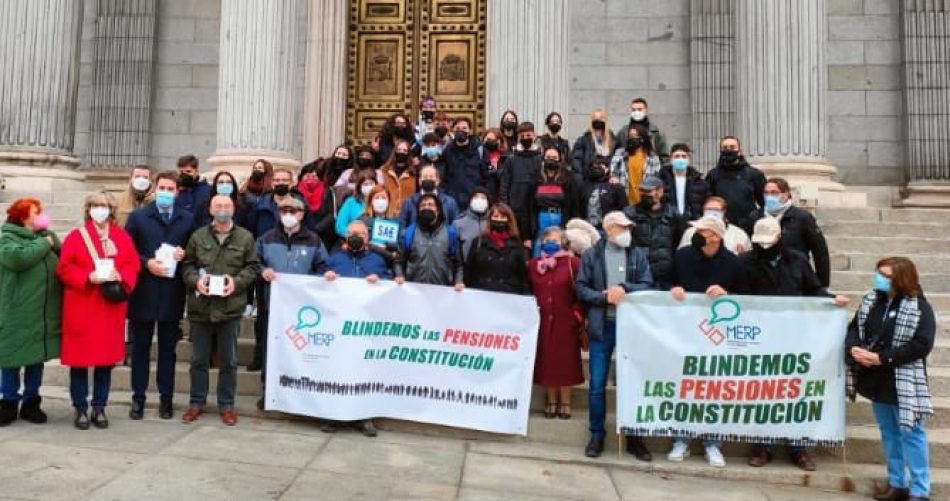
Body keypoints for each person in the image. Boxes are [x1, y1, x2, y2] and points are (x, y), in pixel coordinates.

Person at [742, 217, 849, 471]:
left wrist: (831, 300)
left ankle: (798, 447)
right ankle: (763, 444)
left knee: (794, 391)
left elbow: (813, 289)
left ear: (779, 238)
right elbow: (737, 294)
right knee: (765, 392)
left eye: (769, 242)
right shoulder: (745, 262)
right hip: (761, 336)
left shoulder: (797, 260)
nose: (764, 247)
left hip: (795, 336)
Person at [846, 257, 935, 501]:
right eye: (879, 273)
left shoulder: (920, 307)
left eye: (886, 276)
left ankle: (920, 490)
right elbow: (854, 328)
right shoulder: (871, 301)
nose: (880, 279)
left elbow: (922, 344)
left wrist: (881, 358)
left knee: (912, 434)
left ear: (901, 279)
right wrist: (854, 348)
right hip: (877, 381)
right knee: (889, 433)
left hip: (904, 380)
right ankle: (898, 483)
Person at [667, 215, 748, 466]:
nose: (697, 234)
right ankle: (682, 438)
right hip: (685, 333)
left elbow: (747, 298)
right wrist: (674, 288)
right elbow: (665, 281)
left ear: (715, 236)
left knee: (715, 390)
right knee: (685, 387)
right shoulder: (682, 256)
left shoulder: (733, 263)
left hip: (718, 337)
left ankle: (713, 442)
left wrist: (728, 294)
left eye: (703, 230)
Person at [57, 193, 140, 430]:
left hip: (108, 308)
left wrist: (120, 276)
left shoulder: (121, 237)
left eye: (103, 206)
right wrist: (87, 276)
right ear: (88, 209)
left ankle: (100, 406)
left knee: (105, 361)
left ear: (111, 210)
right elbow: (64, 268)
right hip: (82, 304)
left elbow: (132, 264)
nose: (99, 210)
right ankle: (80, 406)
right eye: (95, 205)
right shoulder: (76, 236)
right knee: (79, 361)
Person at [575, 211, 653, 460]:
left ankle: (634, 437)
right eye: (622, 227)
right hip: (602, 327)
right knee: (597, 385)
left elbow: (648, 284)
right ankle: (597, 434)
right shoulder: (592, 255)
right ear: (609, 229)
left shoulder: (637, 254)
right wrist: (603, 297)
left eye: (628, 227)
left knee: (633, 383)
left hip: (631, 329)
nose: (627, 231)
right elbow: (581, 287)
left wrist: (624, 288)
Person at [181, 195, 260, 426]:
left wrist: (236, 282)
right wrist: (196, 281)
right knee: (198, 360)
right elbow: (187, 264)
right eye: (218, 206)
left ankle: (226, 405)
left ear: (234, 209)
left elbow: (253, 266)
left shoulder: (245, 237)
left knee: (229, 360)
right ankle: (196, 403)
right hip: (201, 308)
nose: (222, 210)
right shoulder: (198, 236)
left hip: (230, 308)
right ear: (210, 209)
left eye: (226, 206)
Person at [124, 171, 194, 420]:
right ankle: (138, 399)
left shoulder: (187, 219)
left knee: (168, 352)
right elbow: (127, 251)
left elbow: (192, 251)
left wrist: (183, 255)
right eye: (162, 187)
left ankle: (167, 399)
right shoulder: (138, 217)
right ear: (156, 189)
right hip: (143, 291)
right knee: (140, 349)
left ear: (177, 192)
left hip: (171, 293)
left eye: (170, 188)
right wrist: (146, 263)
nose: (166, 191)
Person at [255, 197, 328, 410]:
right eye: (284, 210)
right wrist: (263, 271)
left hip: (301, 308)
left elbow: (322, 267)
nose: (288, 215)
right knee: (271, 350)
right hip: (272, 305)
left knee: (300, 352)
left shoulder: (313, 240)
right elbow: (253, 262)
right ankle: (268, 391)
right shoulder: (266, 238)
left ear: (302, 214)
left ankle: (299, 393)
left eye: (293, 211)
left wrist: (314, 281)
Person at [321, 220, 392, 437]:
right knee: (338, 369)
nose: (356, 237)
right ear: (345, 236)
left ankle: (364, 417)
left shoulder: (378, 261)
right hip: (339, 326)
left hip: (366, 328)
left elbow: (392, 286)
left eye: (360, 234)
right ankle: (334, 415)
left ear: (367, 238)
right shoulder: (333, 260)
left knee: (364, 371)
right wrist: (326, 278)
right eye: (352, 233)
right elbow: (315, 285)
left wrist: (381, 281)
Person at [0, 198, 61, 426]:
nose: (41, 216)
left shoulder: (44, 236)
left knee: (36, 360)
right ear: (24, 216)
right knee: (10, 359)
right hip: (16, 312)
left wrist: (50, 239)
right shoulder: (8, 238)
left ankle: (31, 403)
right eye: (37, 212)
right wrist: (45, 243)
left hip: (42, 314)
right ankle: (7, 402)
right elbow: (17, 259)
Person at [528, 226, 584, 420]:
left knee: (565, 363)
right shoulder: (534, 264)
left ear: (563, 242)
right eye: (546, 239)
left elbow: (581, 291)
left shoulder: (573, 263)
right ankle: (551, 402)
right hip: (542, 321)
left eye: (555, 239)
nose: (550, 242)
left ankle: (565, 403)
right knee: (547, 363)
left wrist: (577, 315)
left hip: (565, 320)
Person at [763, 177, 831, 288]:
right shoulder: (757, 216)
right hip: (765, 277)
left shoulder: (802, 218)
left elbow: (820, 251)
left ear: (786, 194)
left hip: (795, 277)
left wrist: (822, 284)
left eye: (774, 193)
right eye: (766, 193)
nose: (769, 197)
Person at [622, 176, 685, 289]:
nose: (644, 194)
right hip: (639, 273)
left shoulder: (673, 214)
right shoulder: (629, 214)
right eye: (642, 191)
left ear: (660, 192)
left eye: (648, 191)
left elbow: (679, 242)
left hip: (666, 274)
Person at [394, 194, 464, 290]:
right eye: (423, 205)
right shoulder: (408, 233)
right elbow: (399, 262)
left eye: (430, 205)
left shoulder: (451, 233)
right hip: (414, 292)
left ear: (438, 210)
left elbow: (458, 264)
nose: (426, 207)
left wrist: (458, 281)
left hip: (443, 292)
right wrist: (399, 276)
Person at [464, 203, 531, 294]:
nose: (499, 220)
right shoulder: (478, 242)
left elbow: (522, 276)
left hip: (508, 295)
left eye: (503, 217)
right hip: (482, 294)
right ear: (490, 219)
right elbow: (469, 271)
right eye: (496, 216)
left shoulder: (517, 243)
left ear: (508, 220)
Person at [705, 136, 766, 235]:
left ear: (740, 150)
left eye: (732, 147)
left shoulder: (754, 174)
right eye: (725, 148)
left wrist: (754, 218)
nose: (728, 150)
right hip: (720, 227)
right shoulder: (712, 175)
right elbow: (707, 201)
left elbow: (764, 203)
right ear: (720, 151)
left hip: (748, 228)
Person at [500, 122, 543, 248]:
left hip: (535, 209)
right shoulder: (511, 159)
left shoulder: (540, 158)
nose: (525, 138)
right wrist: (505, 207)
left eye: (528, 135)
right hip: (514, 209)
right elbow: (504, 185)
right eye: (522, 136)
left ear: (534, 135)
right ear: (518, 137)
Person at [531, 148, 579, 254]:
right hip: (541, 217)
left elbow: (573, 203)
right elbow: (529, 203)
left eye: (554, 158)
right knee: (540, 246)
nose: (551, 160)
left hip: (560, 217)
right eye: (548, 157)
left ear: (560, 160)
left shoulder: (568, 177)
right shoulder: (536, 177)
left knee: (559, 247)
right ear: (543, 159)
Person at [678, 196, 752, 255]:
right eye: (709, 209)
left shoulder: (739, 234)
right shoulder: (690, 232)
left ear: (724, 212)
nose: (712, 213)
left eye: (716, 210)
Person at [610, 123, 661, 205]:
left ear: (643, 138)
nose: (632, 138)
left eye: (636, 135)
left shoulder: (653, 158)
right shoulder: (620, 154)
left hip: (645, 203)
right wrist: (614, 177)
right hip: (625, 203)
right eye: (630, 136)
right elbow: (613, 174)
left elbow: (657, 181)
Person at [442, 117, 485, 211]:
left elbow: (486, 176)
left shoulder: (480, 150)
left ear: (470, 130)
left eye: (464, 128)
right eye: (457, 129)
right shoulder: (447, 151)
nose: (461, 131)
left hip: (475, 201)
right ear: (452, 130)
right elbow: (443, 177)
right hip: (452, 202)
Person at [659, 143, 709, 221]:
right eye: (677, 156)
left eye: (684, 156)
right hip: (668, 224)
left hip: (692, 224)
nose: (680, 159)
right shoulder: (661, 181)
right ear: (671, 159)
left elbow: (706, 206)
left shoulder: (701, 184)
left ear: (689, 159)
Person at [294, 160, 337, 249]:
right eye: (307, 175)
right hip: (299, 233)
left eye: (314, 176)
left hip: (322, 235)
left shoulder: (327, 191)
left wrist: (316, 229)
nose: (311, 178)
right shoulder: (295, 191)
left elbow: (330, 214)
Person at [578, 154, 626, 229]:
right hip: (587, 229)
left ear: (607, 168)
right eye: (594, 165)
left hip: (609, 230)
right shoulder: (583, 186)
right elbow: (578, 210)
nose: (596, 167)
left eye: (600, 165)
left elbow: (623, 210)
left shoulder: (615, 186)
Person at [615, 97, 669, 164]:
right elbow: (616, 154)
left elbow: (664, 157)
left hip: (651, 170)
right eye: (633, 110)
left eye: (639, 109)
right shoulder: (623, 132)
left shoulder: (657, 132)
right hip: (628, 170)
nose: (636, 112)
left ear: (646, 111)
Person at [359, 185, 401, 261]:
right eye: (377, 198)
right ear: (371, 201)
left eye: (384, 198)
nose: (380, 201)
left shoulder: (395, 222)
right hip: (365, 260)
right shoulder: (362, 221)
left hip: (388, 263)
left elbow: (399, 247)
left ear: (389, 201)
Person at [336, 171, 379, 239]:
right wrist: (355, 236)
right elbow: (340, 226)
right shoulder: (351, 202)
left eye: (371, 183)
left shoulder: (380, 202)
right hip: (354, 241)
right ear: (359, 186)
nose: (368, 187)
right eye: (365, 184)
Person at [572, 109, 616, 174]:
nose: (598, 120)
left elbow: (617, 162)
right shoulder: (583, 141)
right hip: (590, 180)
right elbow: (577, 163)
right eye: (595, 118)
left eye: (601, 118)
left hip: (608, 180)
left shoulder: (613, 141)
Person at [380, 140, 418, 215]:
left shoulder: (414, 173)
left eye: (405, 150)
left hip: (407, 214)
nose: (402, 152)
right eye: (399, 150)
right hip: (386, 213)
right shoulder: (384, 170)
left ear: (408, 153)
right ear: (395, 151)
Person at [454, 187, 490, 260]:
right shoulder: (458, 223)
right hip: (466, 268)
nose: (479, 200)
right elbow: (456, 252)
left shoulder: (492, 220)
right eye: (476, 197)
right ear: (470, 200)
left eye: (483, 198)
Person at [174, 154, 213, 220]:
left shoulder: (208, 190)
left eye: (188, 171)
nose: (184, 174)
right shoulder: (174, 190)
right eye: (181, 171)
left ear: (196, 171)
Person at [481, 128, 510, 200]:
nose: (491, 142)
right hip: (483, 195)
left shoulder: (507, 157)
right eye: (488, 139)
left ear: (500, 141)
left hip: (500, 196)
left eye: (494, 139)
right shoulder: (479, 155)